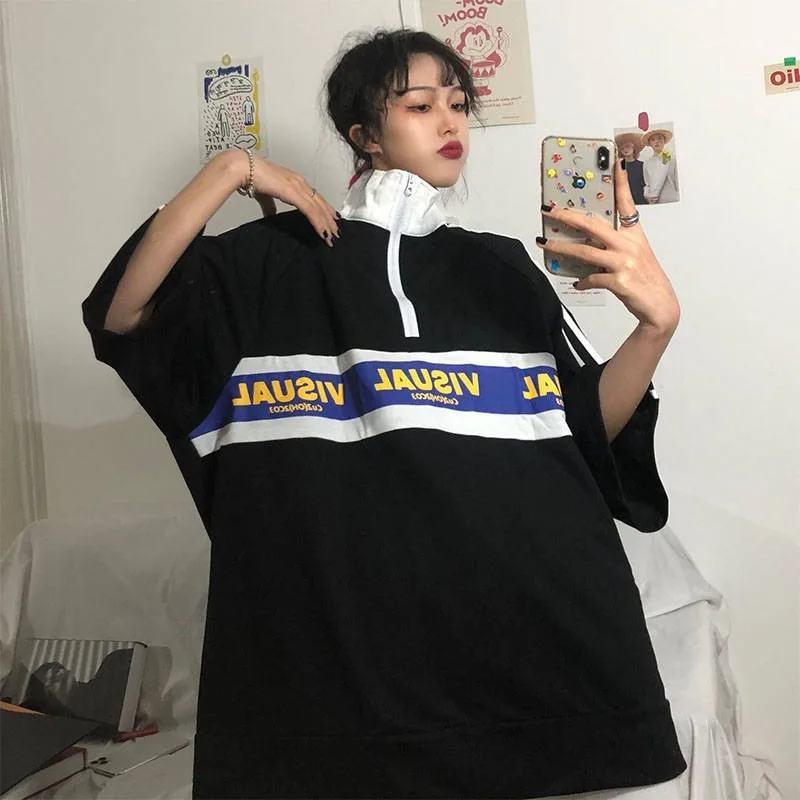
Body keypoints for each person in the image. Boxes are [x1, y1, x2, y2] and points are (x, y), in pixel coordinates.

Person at [83, 27, 685, 799]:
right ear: (363, 133)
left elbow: (585, 435)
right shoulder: (273, 261)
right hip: (334, 691)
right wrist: (233, 168)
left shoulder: (503, 267)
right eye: (420, 105)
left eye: (459, 104)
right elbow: (123, 315)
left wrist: (656, 327)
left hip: (534, 668)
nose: (450, 121)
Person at [641, 128, 679, 204]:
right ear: (649, 143)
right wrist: (647, 195)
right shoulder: (647, 163)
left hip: (672, 199)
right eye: (653, 139)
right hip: (655, 201)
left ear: (664, 141)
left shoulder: (671, 158)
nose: (656, 141)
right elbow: (647, 184)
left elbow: (677, 180)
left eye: (660, 138)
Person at [614, 131, 646, 204]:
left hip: (640, 200)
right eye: (622, 148)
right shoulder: (618, 166)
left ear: (633, 147)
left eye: (627, 146)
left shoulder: (642, 165)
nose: (625, 149)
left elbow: (646, 184)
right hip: (624, 201)